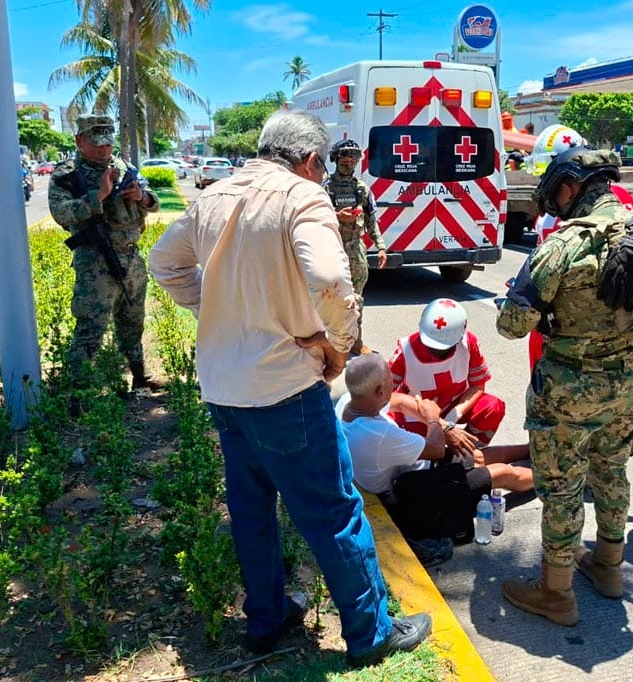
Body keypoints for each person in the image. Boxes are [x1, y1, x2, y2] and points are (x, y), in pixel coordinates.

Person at [148, 110, 431, 667]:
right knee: (334, 510)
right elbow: (329, 280)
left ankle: (267, 618)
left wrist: (218, 311)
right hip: (283, 388)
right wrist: (341, 346)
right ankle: (371, 633)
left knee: (251, 509)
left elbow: (165, 263)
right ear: (308, 161)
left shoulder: (214, 195)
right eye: (322, 165)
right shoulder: (303, 197)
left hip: (225, 387)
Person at [496, 147, 633, 627]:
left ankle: (556, 593)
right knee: (612, 474)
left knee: (563, 490)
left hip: (570, 391)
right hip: (632, 384)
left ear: (570, 187)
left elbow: (512, 325)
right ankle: (609, 569)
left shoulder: (564, 245)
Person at [336, 355, 534, 547]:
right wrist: (433, 418)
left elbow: (402, 402)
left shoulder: (351, 401)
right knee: (502, 473)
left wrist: (443, 426)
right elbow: (437, 450)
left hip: (410, 472)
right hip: (408, 497)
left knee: (477, 456)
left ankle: (533, 450)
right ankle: (553, 477)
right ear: (379, 391)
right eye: (390, 381)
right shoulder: (377, 435)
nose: (393, 385)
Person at [48, 114, 162, 399]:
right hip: (95, 262)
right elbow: (61, 212)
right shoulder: (68, 173)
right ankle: (80, 393)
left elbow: (153, 201)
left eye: (108, 143)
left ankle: (139, 378)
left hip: (131, 258)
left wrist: (142, 197)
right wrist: (97, 196)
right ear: (79, 141)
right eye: (96, 143)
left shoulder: (123, 166)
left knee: (133, 321)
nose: (104, 150)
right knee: (91, 326)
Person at [388, 298, 506, 455]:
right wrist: (438, 424)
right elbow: (386, 397)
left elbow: (478, 385)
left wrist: (452, 417)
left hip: (452, 407)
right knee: (419, 454)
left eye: (443, 348)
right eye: (430, 345)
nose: (435, 352)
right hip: (415, 413)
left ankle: (466, 453)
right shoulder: (405, 350)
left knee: (492, 407)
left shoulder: (469, 343)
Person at [326, 139, 387, 355]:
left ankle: (356, 340)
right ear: (335, 158)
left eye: (353, 156)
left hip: (355, 250)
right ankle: (330, 342)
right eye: (344, 155)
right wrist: (335, 215)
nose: (349, 160)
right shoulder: (326, 188)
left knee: (357, 298)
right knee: (329, 297)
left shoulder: (362, 189)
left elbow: (371, 220)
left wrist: (380, 247)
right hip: (330, 250)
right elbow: (312, 216)